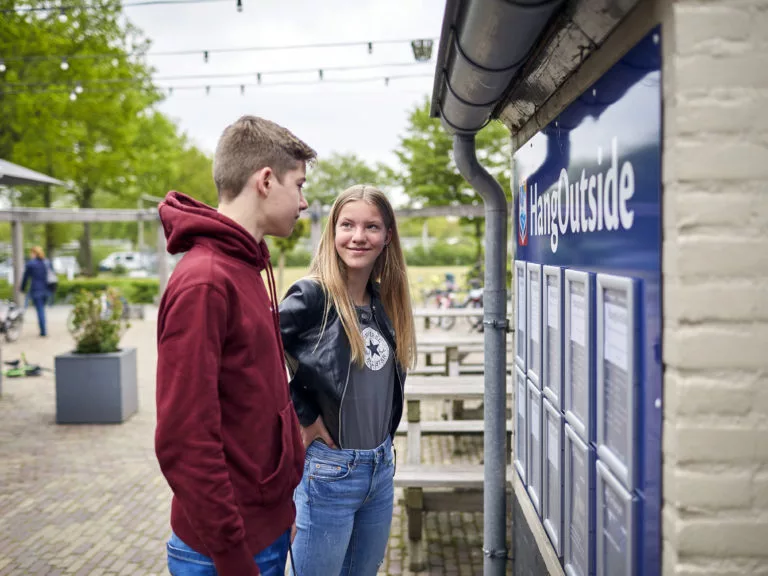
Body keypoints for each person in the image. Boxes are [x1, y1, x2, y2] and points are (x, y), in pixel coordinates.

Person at [154, 115, 316, 576]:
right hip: (223, 553)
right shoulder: (205, 281)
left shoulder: (243, 266)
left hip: (260, 532)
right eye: (299, 185)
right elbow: (183, 439)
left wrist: (280, 511)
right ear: (266, 180)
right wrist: (231, 554)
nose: (304, 202)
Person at [279, 184, 416, 576]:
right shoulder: (312, 296)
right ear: (332, 232)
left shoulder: (383, 302)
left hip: (379, 468)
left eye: (372, 226)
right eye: (348, 225)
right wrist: (303, 416)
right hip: (329, 472)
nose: (359, 237)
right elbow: (255, 354)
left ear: (388, 236)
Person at [20, 246, 50, 337]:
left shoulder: (31, 264)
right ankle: (43, 329)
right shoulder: (46, 262)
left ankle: (43, 331)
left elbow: (25, 278)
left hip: (36, 290)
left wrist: (22, 288)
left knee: (40, 310)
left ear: (34, 253)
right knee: (42, 310)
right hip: (46, 289)